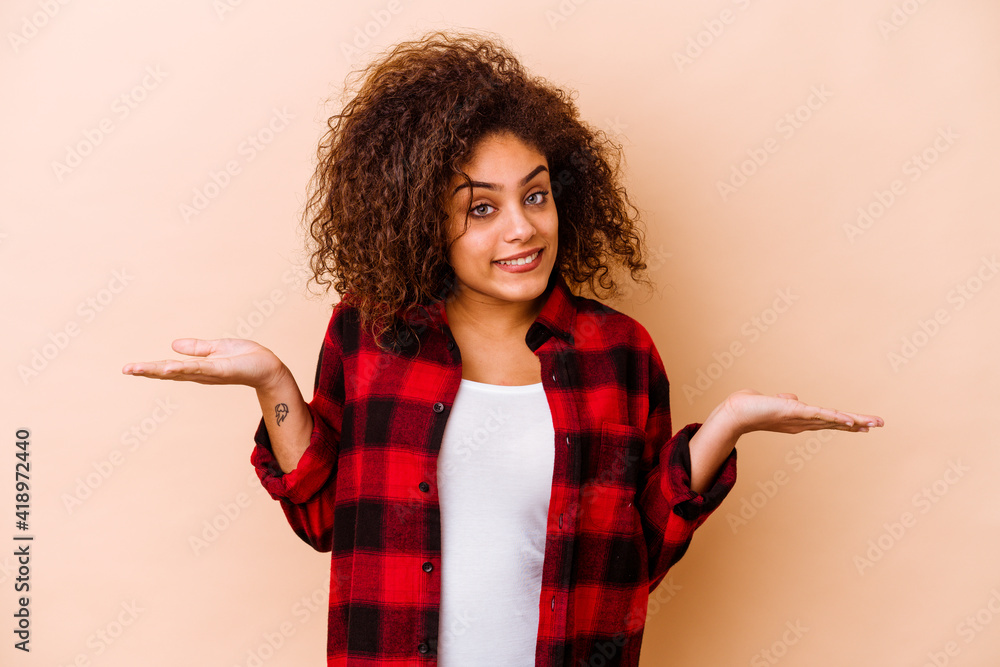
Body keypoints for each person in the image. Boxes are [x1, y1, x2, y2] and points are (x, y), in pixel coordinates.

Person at [122, 28, 883, 667]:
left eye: (536, 193)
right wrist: (272, 378)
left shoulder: (618, 354)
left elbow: (635, 559)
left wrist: (728, 425)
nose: (521, 228)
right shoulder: (370, 333)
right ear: (419, 217)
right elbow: (325, 521)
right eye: (480, 208)